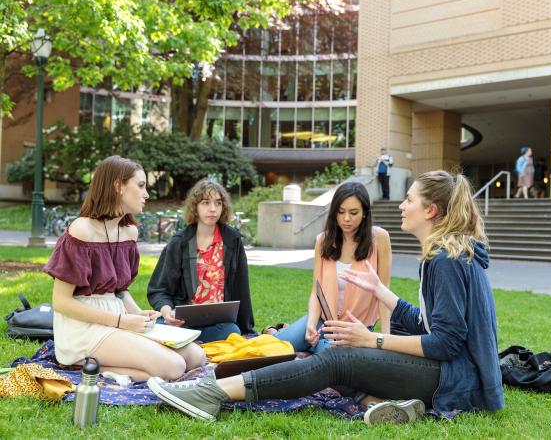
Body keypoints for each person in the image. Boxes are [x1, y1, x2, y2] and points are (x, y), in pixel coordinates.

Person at [147, 170, 504, 424]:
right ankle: (381, 403)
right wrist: (384, 294)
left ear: (431, 211)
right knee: (336, 351)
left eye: (409, 199)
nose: (401, 205)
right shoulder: (443, 256)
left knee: (337, 360)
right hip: (448, 372)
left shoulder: (447, 261)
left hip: (456, 381)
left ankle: (213, 392)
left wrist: (375, 339)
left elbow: (447, 342)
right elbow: (429, 325)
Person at [44, 156, 205, 382]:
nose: (146, 194)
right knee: (175, 366)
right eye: (140, 186)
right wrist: (121, 321)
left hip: (118, 317)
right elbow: (61, 302)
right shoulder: (81, 231)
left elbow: (120, 290)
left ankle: (104, 367)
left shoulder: (129, 232)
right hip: (83, 328)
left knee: (196, 357)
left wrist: (137, 313)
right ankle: (81, 362)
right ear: (118, 186)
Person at [274, 182, 392, 353]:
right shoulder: (323, 240)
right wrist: (311, 325)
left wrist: (384, 338)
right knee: (271, 350)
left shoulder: (379, 238)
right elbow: (317, 291)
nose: (346, 219)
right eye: (341, 212)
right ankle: (279, 333)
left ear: (365, 213)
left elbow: (383, 292)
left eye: (354, 213)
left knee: (332, 360)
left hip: (355, 331)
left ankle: (311, 343)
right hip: (323, 322)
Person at [147, 178, 255, 342]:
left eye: (218, 203)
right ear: (195, 207)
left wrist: (247, 330)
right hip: (182, 323)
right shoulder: (179, 242)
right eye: (206, 203)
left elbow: (242, 287)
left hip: (219, 324)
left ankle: (188, 342)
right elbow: (158, 290)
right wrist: (167, 311)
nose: (213, 209)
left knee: (232, 331)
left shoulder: (233, 240)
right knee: (162, 325)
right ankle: (187, 339)